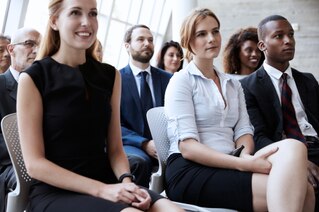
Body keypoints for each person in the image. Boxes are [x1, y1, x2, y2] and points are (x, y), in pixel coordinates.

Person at [16, 0, 183, 212]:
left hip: (108, 182)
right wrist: (102, 190)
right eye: (75, 13)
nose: (87, 22)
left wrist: (126, 183)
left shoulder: (109, 76)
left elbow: (115, 148)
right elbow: (34, 164)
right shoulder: (33, 78)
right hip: (57, 193)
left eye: (93, 13)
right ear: (55, 21)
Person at [164, 8, 314, 212]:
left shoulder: (232, 84)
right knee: (302, 190)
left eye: (215, 31)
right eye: (202, 34)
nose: (212, 39)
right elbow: (188, 148)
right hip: (191, 170)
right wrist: (246, 164)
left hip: (231, 162)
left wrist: (244, 156)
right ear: (187, 41)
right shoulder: (181, 81)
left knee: (295, 148)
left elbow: (244, 132)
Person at [240, 14, 319, 210]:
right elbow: (258, 137)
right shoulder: (247, 87)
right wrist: (298, 161)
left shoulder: (308, 80)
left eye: (291, 35)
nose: (288, 41)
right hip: (283, 153)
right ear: (262, 46)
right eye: (278, 36)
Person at [120, 24, 172, 188]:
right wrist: (144, 143)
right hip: (132, 145)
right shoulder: (116, 79)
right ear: (127, 46)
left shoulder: (167, 79)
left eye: (150, 40)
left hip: (166, 144)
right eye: (140, 39)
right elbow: (112, 124)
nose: (147, 43)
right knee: (140, 162)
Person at [0, 27, 41, 212]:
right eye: (29, 44)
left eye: (39, 45)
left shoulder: (44, 89)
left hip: (42, 161)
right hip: (9, 163)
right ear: (11, 49)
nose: (36, 50)